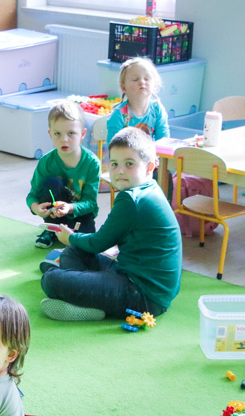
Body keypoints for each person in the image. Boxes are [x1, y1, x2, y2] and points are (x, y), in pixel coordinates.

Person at [39, 127, 182, 321]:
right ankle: (82, 292)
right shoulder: (149, 188)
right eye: (114, 164)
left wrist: (70, 236)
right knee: (73, 252)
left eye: (129, 164)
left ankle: (84, 300)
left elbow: (99, 243)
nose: (120, 171)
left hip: (143, 296)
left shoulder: (132, 200)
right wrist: (73, 242)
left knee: (50, 280)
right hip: (134, 278)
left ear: (150, 167)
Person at [26, 100, 101, 248]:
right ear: (50, 134)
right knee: (52, 183)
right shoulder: (46, 162)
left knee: (86, 244)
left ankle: (68, 231)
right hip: (54, 213)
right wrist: (36, 208)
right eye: (57, 134)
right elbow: (32, 195)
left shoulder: (92, 163)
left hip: (80, 213)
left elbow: (90, 202)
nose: (64, 139)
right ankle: (51, 229)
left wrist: (69, 208)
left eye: (71, 133)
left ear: (83, 134)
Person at [105, 57, 169, 143]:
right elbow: (113, 150)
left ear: (154, 86)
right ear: (123, 87)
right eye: (135, 79)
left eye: (146, 79)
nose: (142, 82)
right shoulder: (118, 115)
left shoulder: (158, 110)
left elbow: (164, 143)